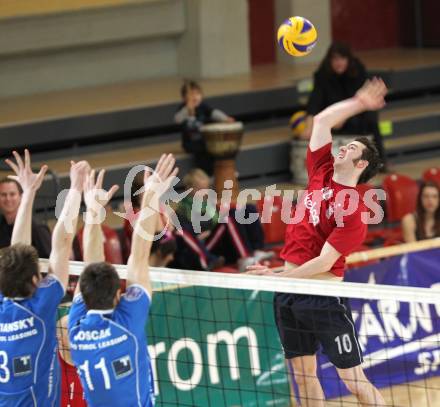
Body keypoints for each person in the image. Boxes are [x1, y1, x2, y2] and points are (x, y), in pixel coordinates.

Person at [248, 78, 387, 406]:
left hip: (322, 297)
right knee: (302, 377)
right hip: (289, 294)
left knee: (353, 381)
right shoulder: (320, 171)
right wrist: (359, 103)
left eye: (352, 148)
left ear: (361, 165)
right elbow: (323, 120)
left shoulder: (353, 209)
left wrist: (278, 278)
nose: (344, 146)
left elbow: (325, 262)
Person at [68, 154, 178, 407]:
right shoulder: (127, 322)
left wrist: (93, 213)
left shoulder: (76, 329)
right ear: (119, 295)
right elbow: (139, 256)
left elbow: (92, 264)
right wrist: (150, 194)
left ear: (84, 295)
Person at [0, 150, 89, 406]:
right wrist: (75, 189)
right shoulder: (40, 306)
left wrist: (27, 194)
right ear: (35, 282)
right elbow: (61, 244)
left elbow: (17, 253)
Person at [58, 168, 119, 407]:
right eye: (64, 332)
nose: (71, 335)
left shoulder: (94, 350)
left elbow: (93, 266)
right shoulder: (48, 366)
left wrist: (93, 215)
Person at [301, 42, 387, 169]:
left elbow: (361, 100)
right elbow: (315, 102)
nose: (339, 62)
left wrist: (344, 116)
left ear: (348, 59)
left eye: (342, 58)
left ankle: (379, 161)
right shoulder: (322, 75)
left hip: (357, 111)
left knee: (371, 120)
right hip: (333, 111)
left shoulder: (357, 70)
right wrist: (309, 126)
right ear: (329, 60)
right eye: (335, 59)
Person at [174, 168, 267, 271]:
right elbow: (186, 236)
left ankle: (256, 250)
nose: (204, 193)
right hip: (205, 248)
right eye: (199, 189)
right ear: (189, 189)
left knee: (248, 209)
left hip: (219, 240)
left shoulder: (209, 204)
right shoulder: (183, 210)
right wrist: (202, 235)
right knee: (228, 219)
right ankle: (244, 257)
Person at [174, 80, 234, 174]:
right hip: (190, 143)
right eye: (191, 94)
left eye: (198, 94)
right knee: (202, 150)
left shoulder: (203, 107)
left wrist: (225, 118)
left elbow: (214, 113)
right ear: (184, 98)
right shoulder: (183, 109)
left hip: (203, 140)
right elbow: (177, 120)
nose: (195, 97)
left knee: (214, 146)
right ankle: (205, 172)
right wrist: (187, 109)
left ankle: (220, 171)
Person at [0, 177, 52, 257]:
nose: (8, 198)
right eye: (3, 195)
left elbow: (49, 259)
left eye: (12, 194)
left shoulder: (37, 227)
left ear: (21, 197)